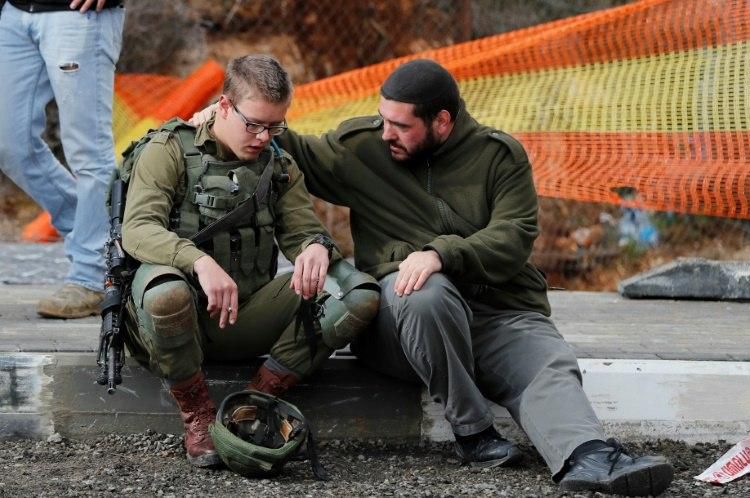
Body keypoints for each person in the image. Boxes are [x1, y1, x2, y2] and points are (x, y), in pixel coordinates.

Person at [196, 58, 673, 495]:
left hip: (495, 314)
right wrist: (225, 118)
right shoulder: (364, 147)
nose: (386, 133)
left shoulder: (499, 157)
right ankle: (473, 432)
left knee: (548, 363)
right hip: (402, 324)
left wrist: (441, 253)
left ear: (442, 121)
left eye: (401, 126)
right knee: (425, 292)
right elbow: (289, 145)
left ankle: (587, 457)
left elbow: (513, 237)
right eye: (383, 119)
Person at [120, 54, 379, 468]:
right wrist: (197, 262)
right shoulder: (168, 150)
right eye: (254, 124)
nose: (263, 137)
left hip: (246, 313)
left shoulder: (279, 165)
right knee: (166, 293)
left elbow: (302, 231)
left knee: (358, 295)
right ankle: (198, 415)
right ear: (224, 106)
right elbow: (137, 229)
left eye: (275, 127)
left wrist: (316, 246)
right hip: (171, 318)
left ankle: (255, 402)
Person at [0, 0, 124, 318]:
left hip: (77, 14)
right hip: (14, 13)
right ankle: (102, 236)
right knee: (9, 143)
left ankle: (93, 277)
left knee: (88, 151)